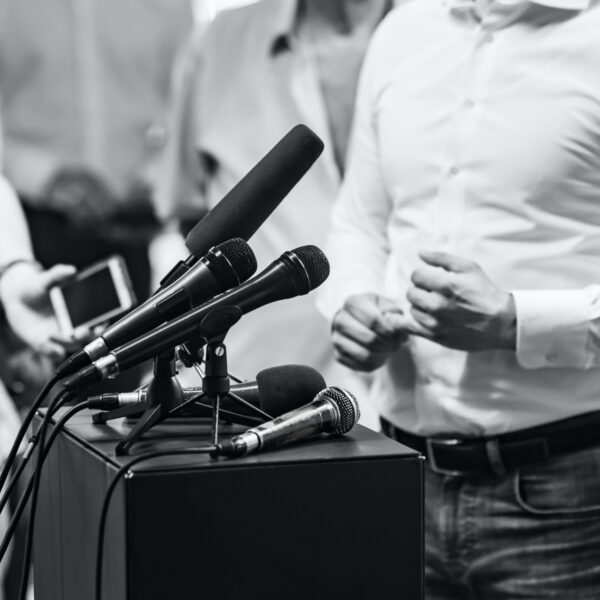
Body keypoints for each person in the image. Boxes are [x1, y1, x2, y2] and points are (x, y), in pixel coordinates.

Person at [319, 0, 600, 597]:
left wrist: (514, 322)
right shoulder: (402, 30)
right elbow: (360, 222)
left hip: (567, 498)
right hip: (396, 476)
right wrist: (354, 299)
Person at [153, 0, 397, 415]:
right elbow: (192, 218)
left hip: (418, 402)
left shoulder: (444, 41)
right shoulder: (219, 44)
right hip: (256, 394)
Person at [0, 0, 193, 313]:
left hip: (130, 231)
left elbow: (188, 111)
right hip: (23, 229)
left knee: (126, 356)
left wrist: (154, 176)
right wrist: (46, 177)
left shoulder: (171, 7)